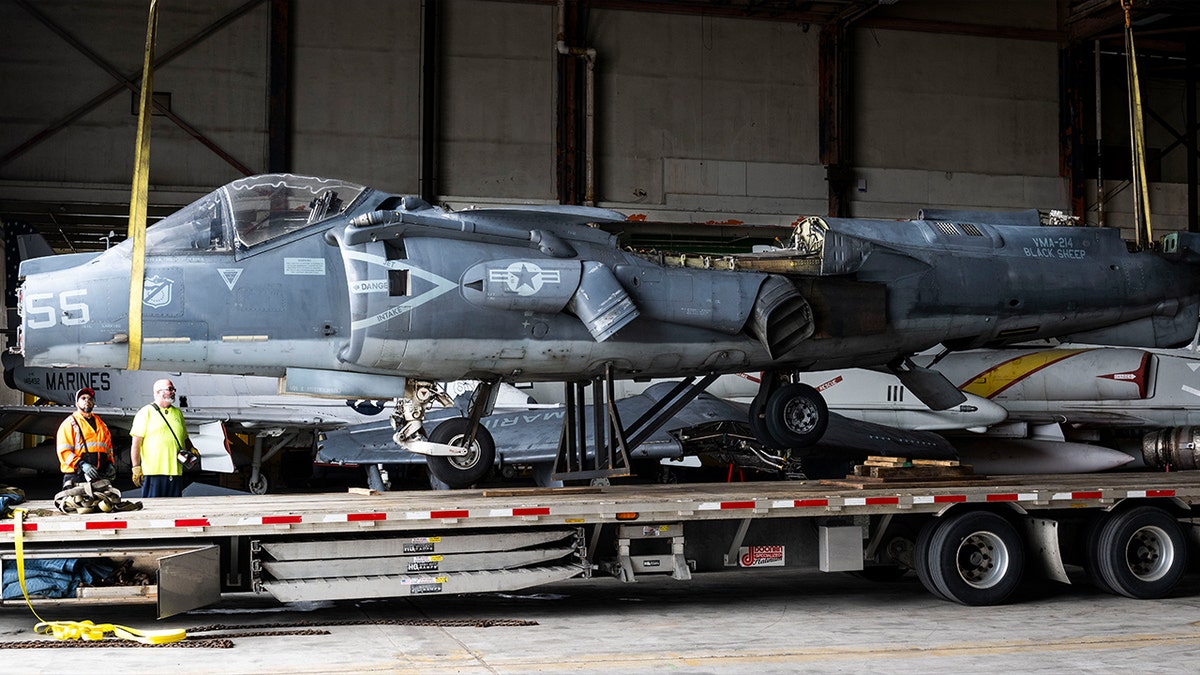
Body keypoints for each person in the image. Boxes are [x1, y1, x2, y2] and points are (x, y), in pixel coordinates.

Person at [130, 379, 198, 498]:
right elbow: (136, 443)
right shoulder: (145, 412)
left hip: (175, 472)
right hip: (153, 473)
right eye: (170, 389)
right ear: (158, 392)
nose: (173, 392)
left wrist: (191, 448)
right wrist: (136, 467)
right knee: (154, 511)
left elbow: (184, 436)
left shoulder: (177, 413)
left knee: (173, 510)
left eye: (173, 389)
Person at [55, 387, 116, 489]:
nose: (87, 401)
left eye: (90, 399)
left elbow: (108, 449)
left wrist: (110, 463)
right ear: (76, 403)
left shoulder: (101, 425)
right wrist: (81, 464)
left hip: (97, 477)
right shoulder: (69, 424)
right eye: (83, 398)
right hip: (76, 478)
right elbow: (64, 452)